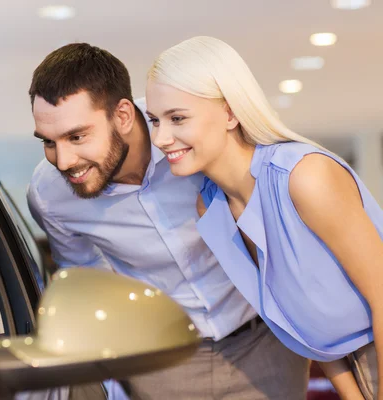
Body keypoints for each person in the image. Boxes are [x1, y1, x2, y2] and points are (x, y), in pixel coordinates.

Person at [27, 42, 309, 399]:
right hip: (160, 363)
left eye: (77, 136)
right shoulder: (49, 194)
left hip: (264, 343)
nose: (64, 160)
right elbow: (85, 278)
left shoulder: (189, 134)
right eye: (48, 142)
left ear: (124, 116)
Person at [146, 35, 383, 400]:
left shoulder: (304, 177)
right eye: (155, 120)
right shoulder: (210, 209)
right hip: (351, 366)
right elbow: (299, 321)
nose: (161, 138)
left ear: (229, 112)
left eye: (177, 118)